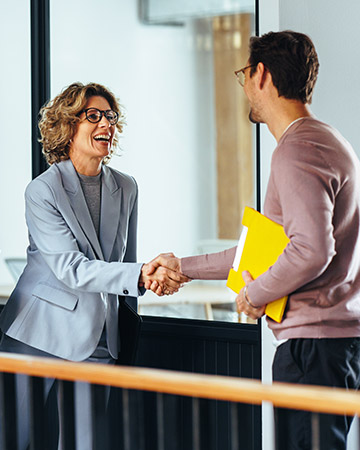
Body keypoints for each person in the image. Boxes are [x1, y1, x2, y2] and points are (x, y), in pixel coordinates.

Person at [146, 31, 360, 450]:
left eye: (244, 74)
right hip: (329, 346)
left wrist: (255, 294)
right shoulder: (326, 142)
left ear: (261, 75)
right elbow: (264, 249)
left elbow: (311, 251)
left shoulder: (296, 151)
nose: (243, 85)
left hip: (311, 351)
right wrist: (182, 267)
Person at [0, 82, 188, 449]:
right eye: (94, 116)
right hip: (36, 335)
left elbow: (127, 262)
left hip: (98, 336)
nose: (106, 124)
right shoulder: (42, 191)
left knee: (85, 442)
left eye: (111, 116)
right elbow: (72, 267)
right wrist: (141, 273)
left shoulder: (127, 187)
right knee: (13, 438)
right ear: (68, 126)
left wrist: (150, 277)